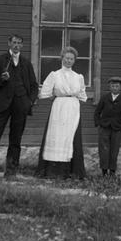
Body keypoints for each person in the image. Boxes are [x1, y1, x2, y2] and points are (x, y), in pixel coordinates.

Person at [0, 34, 39, 178]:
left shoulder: (26, 63)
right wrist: (1, 79)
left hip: (21, 105)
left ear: (22, 46)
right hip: (2, 105)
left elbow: (34, 86)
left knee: (16, 139)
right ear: (9, 43)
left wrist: (29, 101)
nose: (16, 45)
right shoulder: (0, 60)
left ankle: (11, 172)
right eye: (14, 42)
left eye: (19, 43)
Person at [35, 46, 88, 179]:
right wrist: (55, 95)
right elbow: (44, 93)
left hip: (73, 109)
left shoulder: (78, 77)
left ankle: (73, 172)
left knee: (71, 137)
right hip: (59, 108)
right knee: (57, 136)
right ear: (62, 58)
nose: (69, 61)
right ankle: (54, 172)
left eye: (71, 59)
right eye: (66, 58)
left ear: (74, 60)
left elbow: (82, 95)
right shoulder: (55, 75)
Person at [93, 76, 121, 175]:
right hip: (104, 127)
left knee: (114, 150)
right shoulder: (104, 98)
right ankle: (104, 171)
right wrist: (98, 124)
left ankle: (112, 172)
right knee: (104, 150)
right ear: (110, 87)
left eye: (117, 86)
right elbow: (97, 112)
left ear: (120, 87)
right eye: (113, 86)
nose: (115, 88)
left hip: (117, 129)